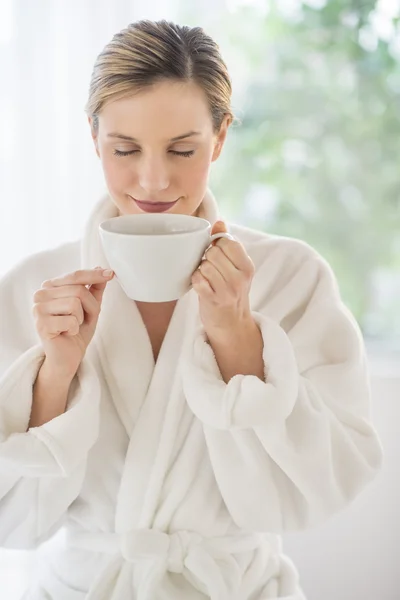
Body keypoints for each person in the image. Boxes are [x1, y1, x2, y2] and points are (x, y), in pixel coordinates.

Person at [0, 19, 383, 600]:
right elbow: (13, 520)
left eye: (184, 149)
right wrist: (55, 373)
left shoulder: (290, 277)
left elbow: (328, 484)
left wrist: (239, 340)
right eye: (124, 149)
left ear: (221, 136)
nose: (154, 179)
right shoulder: (35, 287)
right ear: (93, 136)